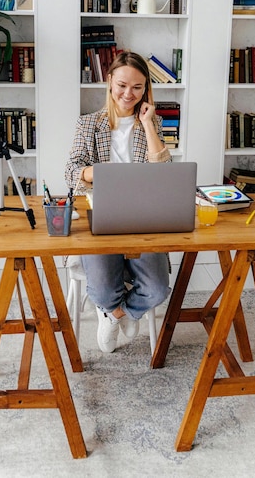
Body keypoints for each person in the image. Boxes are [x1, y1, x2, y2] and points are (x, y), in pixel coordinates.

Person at [65, 50, 171, 353]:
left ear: (146, 89)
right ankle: (111, 308)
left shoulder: (153, 122)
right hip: (101, 217)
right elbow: (71, 172)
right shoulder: (88, 124)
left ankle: (116, 314)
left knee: (156, 288)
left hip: (142, 218)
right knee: (100, 289)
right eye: (122, 85)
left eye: (137, 87)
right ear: (109, 81)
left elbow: (163, 174)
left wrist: (148, 123)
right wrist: (96, 172)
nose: (129, 94)